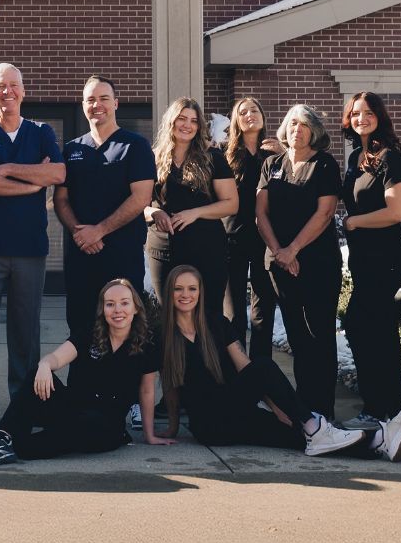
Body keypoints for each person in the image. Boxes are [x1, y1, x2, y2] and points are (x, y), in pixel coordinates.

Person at [154, 265, 373, 456]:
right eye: (178, 289)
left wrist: (278, 408)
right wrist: (172, 426)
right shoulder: (164, 334)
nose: (186, 294)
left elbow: (246, 369)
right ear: (170, 291)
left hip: (235, 408)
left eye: (192, 288)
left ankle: (375, 444)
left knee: (294, 435)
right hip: (209, 425)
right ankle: (312, 423)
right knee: (264, 365)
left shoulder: (216, 323)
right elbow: (170, 385)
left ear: (200, 292)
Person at [0, 62, 65, 429]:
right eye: (0, 86)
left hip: (29, 249)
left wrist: (4, 169)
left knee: (25, 331)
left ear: (24, 90)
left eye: (14, 85)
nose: (8, 92)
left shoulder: (41, 132)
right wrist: (31, 185)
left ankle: (23, 403)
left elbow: (58, 173)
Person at [0, 279, 166, 466]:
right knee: (35, 376)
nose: (117, 310)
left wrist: (149, 435)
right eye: (110, 304)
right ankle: (3, 437)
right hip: (74, 408)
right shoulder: (90, 333)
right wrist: (45, 366)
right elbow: (56, 358)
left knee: (80, 428)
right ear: (102, 309)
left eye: (124, 303)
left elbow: (147, 391)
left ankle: (14, 447)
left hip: (105, 426)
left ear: (136, 308)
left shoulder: (147, 344)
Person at [254, 104, 345, 420]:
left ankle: (323, 410)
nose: (297, 129)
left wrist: (293, 249)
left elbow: (325, 213)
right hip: (279, 264)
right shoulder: (271, 164)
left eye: (304, 124)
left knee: (318, 335)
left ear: (314, 131)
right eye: (292, 123)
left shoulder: (324, 165)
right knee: (296, 335)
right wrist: (280, 251)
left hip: (318, 263)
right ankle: (305, 408)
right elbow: (260, 213)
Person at [54, 75, 155, 343]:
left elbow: (141, 197)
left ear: (116, 104)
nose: (97, 105)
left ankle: (123, 386)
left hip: (122, 257)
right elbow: (61, 199)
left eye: (104, 99)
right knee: (80, 327)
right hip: (80, 258)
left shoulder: (135, 146)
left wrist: (99, 231)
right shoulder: (72, 149)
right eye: (90, 99)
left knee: (124, 329)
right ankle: (82, 385)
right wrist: (80, 233)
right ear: (83, 105)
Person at [338, 90, 401, 426]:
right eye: (355, 113)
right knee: (365, 326)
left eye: (368, 112)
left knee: (372, 327)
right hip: (363, 259)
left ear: (379, 116)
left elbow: (396, 211)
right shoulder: (356, 157)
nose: (361, 118)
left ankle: (385, 406)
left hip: (387, 257)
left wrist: (353, 222)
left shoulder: (390, 157)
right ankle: (383, 404)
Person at [146, 96, 237, 316]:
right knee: (169, 316)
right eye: (182, 118)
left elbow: (231, 204)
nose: (187, 125)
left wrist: (195, 213)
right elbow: (138, 204)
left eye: (194, 121)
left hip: (206, 249)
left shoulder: (212, 158)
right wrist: (154, 212)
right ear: (171, 121)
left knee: (208, 315)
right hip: (163, 249)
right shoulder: (152, 158)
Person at [222, 97, 278, 358]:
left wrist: (284, 153)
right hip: (230, 238)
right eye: (242, 112)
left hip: (264, 240)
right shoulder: (225, 153)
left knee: (262, 310)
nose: (249, 115)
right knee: (233, 314)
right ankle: (237, 371)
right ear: (236, 121)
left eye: (254, 110)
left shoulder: (274, 154)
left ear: (263, 117)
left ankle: (261, 370)